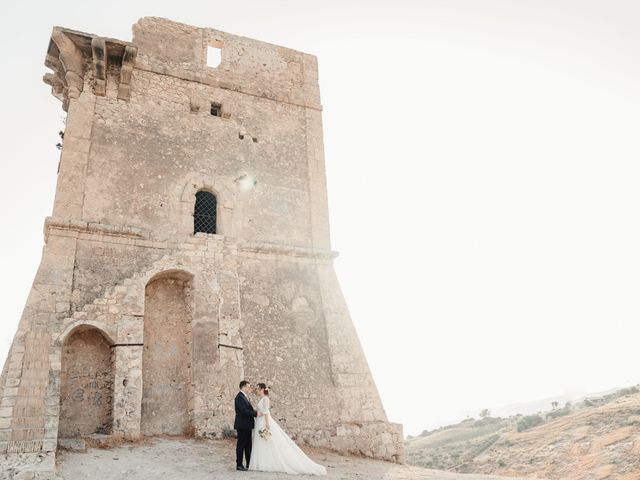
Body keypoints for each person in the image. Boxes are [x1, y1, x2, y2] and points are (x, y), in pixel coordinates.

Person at [248, 383, 327, 475]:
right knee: (262, 442)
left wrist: (267, 425)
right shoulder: (262, 399)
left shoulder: (265, 399)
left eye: (257, 389)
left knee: (267, 441)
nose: (256, 391)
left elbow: (266, 412)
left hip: (264, 421)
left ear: (262, 389)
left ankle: (265, 463)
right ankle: (261, 463)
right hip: (260, 421)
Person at [234, 380, 262, 471]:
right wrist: (256, 414)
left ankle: (249, 463)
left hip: (247, 425)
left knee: (248, 445)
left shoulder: (244, 397)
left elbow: (247, 409)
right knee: (241, 445)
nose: (250, 388)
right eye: (249, 386)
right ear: (244, 387)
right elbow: (244, 411)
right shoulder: (239, 397)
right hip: (242, 425)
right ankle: (239, 464)